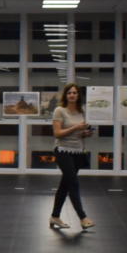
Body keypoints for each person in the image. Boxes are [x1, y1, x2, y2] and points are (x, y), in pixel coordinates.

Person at [49, 83, 94, 232]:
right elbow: (57, 133)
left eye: (74, 93)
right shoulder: (59, 110)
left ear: (78, 95)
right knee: (73, 183)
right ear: (66, 95)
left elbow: (80, 133)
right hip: (62, 151)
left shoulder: (82, 111)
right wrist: (76, 127)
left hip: (78, 151)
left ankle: (55, 216)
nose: (72, 95)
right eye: (69, 93)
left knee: (65, 185)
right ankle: (83, 218)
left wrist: (85, 133)